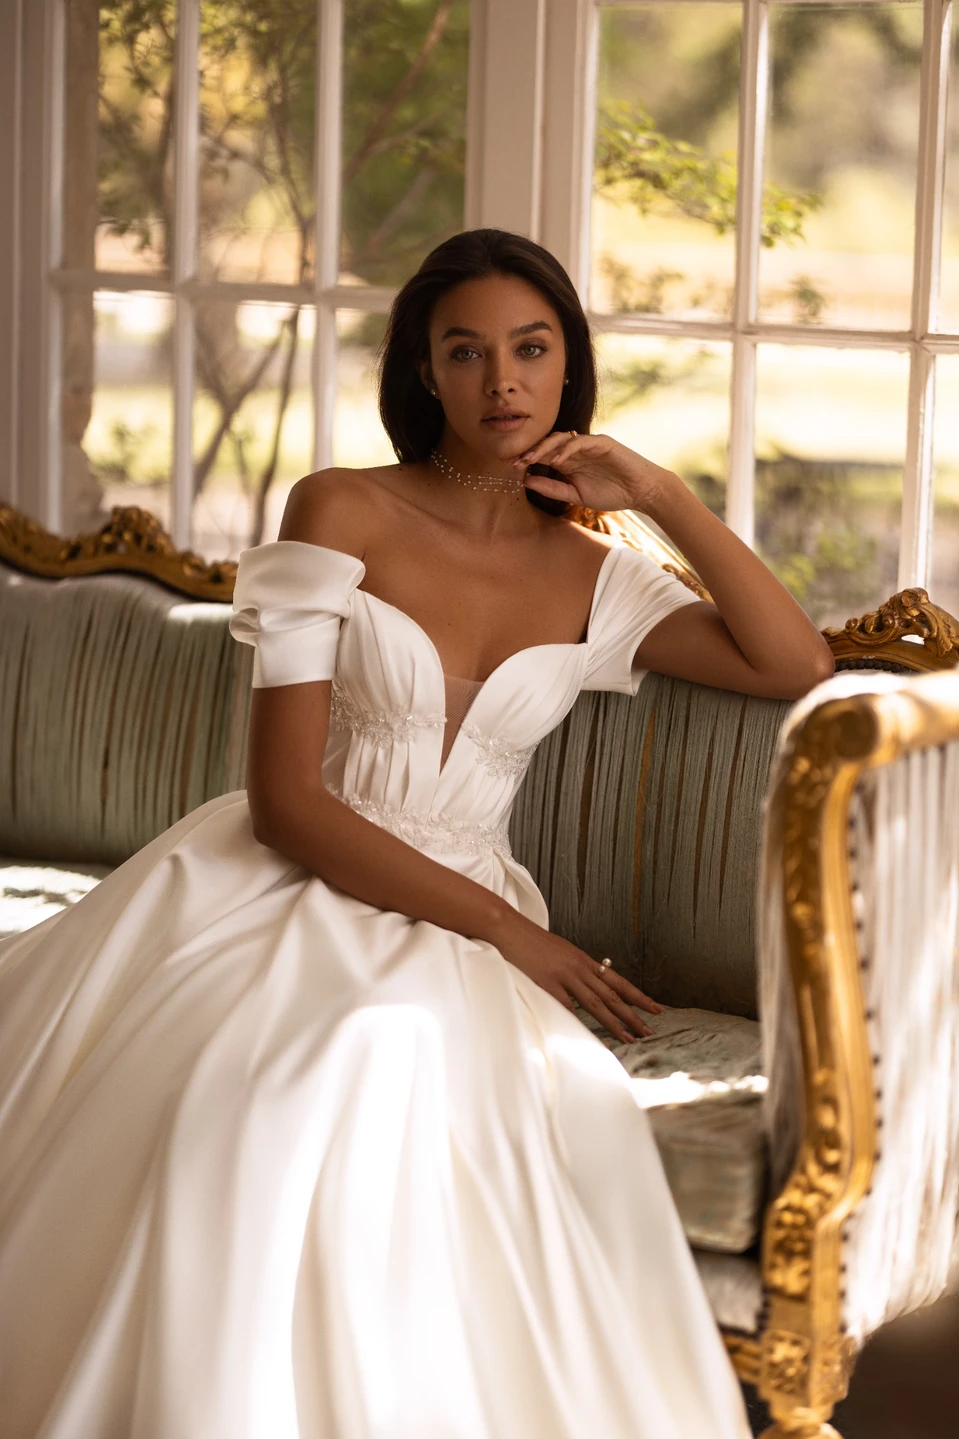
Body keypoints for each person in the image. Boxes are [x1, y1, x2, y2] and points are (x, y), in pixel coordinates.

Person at [0, 228, 833, 1439]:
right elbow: (287, 800)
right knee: (252, 1101)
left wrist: (657, 493)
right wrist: (514, 933)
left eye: (530, 349)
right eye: (466, 351)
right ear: (424, 371)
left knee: (378, 1068)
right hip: (289, 877)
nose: (502, 381)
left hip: (458, 925)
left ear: (566, 365)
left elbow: (792, 662)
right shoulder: (342, 507)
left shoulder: (596, 574)